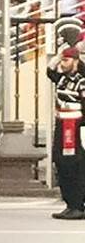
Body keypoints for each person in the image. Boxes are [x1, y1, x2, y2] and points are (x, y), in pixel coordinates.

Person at [47, 47, 85, 220]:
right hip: (62, 124)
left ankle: (78, 205)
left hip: (75, 126)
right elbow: (49, 70)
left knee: (74, 166)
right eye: (63, 60)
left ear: (76, 61)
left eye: (67, 60)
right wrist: (58, 55)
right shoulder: (62, 79)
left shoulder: (81, 82)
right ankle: (69, 203)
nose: (63, 63)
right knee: (61, 163)